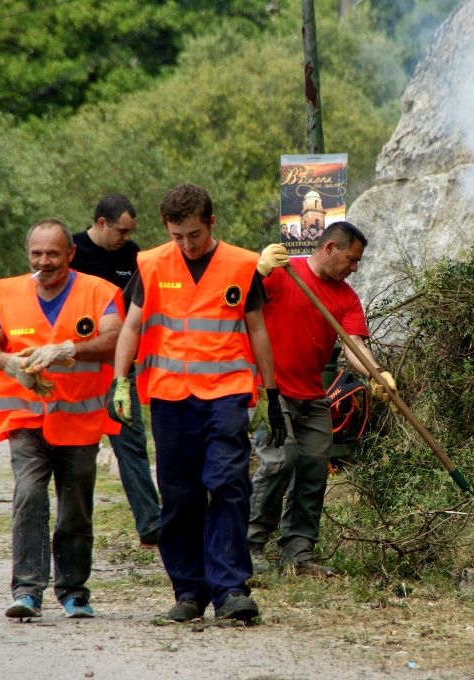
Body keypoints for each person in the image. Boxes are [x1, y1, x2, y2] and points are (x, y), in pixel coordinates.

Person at [109, 183, 287, 623]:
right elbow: (131, 326)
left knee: (228, 484)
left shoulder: (241, 265)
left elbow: (257, 330)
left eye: (194, 234)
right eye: (177, 236)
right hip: (170, 397)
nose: (187, 245)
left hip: (227, 394)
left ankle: (231, 590)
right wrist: (119, 382)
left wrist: (271, 392)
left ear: (211, 222)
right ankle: (189, 590)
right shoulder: (151, 264)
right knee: (180, 495)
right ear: (165, 228)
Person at [0, 219, 124, 620]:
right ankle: (27, 591)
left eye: (53, 254)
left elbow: (116, 338)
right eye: (37, 254)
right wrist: (7, 362)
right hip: (25, 418)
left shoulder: (100, 292)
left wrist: (68, 349)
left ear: (71, 254)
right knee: (28, 495)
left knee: (75, 506)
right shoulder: (8, 293)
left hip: (78, 421)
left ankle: (74, 591)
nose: (44, 262)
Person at [248, 222, 397, 576]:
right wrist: (257, 271)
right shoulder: (283, 273)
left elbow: (354, 345)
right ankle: (248, 545)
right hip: (269, 390)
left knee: (313, 472)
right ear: (330, 248)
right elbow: (235, 301)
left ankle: (298, 555)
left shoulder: (346, 298)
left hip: (313, 396)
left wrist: (377, 373)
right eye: (351, 259)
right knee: (280, 460)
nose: (354, 268)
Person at [71, 194, 162, 547]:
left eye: (130, 232)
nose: (127, 237)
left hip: (120, 370)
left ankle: (151, 525)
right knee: (75, 454)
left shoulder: (132, 255)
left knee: (132, 444)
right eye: (122, 231)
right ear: (101, 223)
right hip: (76, 369)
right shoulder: (71, 251)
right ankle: (73, 527)